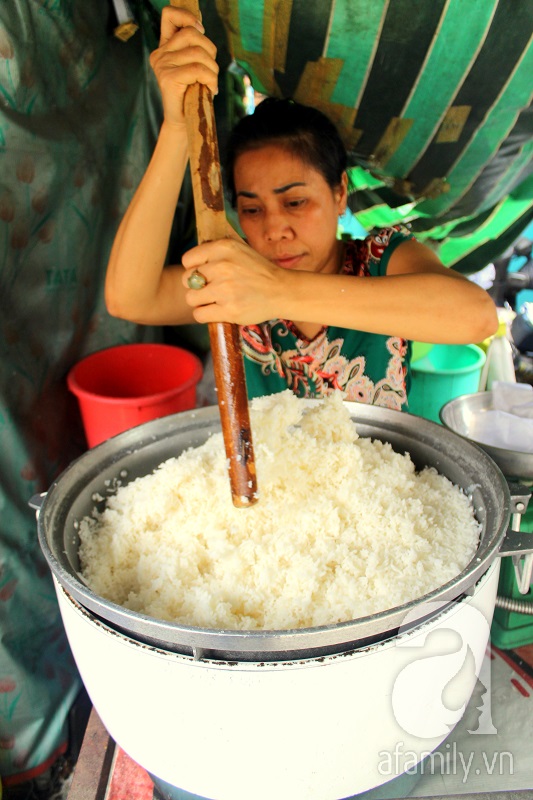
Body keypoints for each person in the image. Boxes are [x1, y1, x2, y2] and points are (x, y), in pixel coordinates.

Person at [105, 5, 498, 409]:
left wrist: (277, 292)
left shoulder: (382, 259)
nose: (275, 229)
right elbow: (130, 298)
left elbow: (476, 316)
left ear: (339, 192)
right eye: (252, 209)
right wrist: (176, 127)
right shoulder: (234, 280)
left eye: (295, 201)